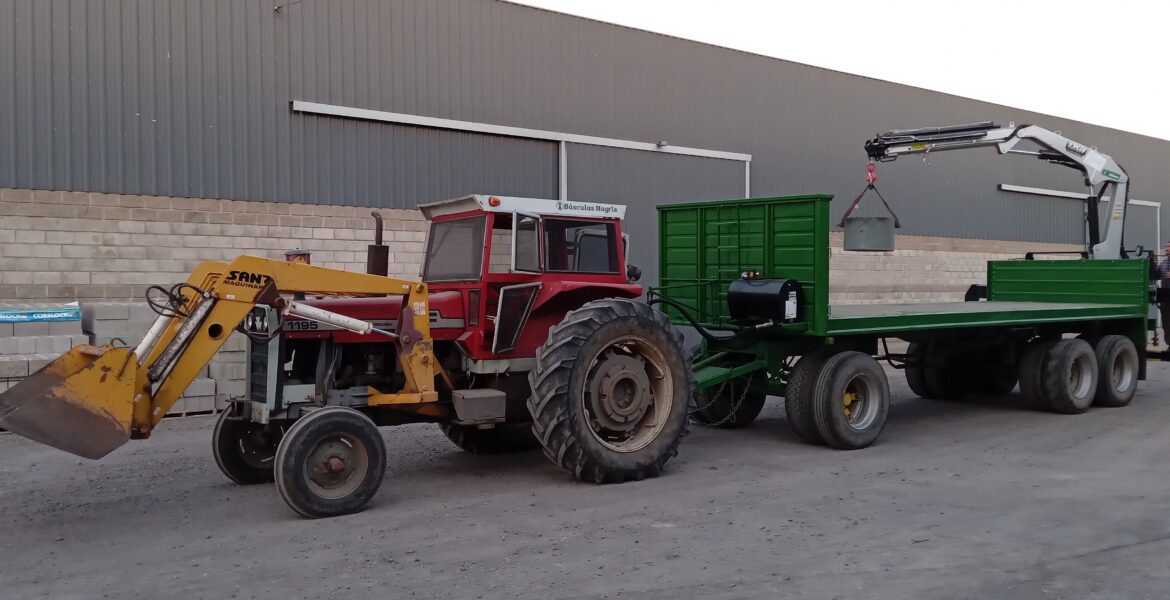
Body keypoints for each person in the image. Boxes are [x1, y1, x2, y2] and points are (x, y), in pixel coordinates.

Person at [1159, 242, 1170, 348]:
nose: (1166, 248)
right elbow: (1156, 274)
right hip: (1165, 299)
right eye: (1166, 246)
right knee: (1166, 323)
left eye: (1169, 247)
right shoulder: (1163, 263)